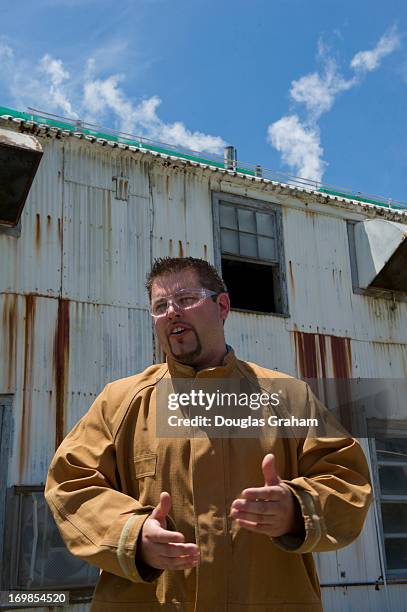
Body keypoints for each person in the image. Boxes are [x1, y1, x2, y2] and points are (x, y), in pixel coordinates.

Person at [45, 257, 372, 612]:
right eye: (160, 306)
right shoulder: (119, 401)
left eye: (186, 299)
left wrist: (297, 509)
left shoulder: (288, 397)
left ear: (222, 307)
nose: (172, 312)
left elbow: (348, 480)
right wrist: (132, 536)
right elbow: (69, 483)